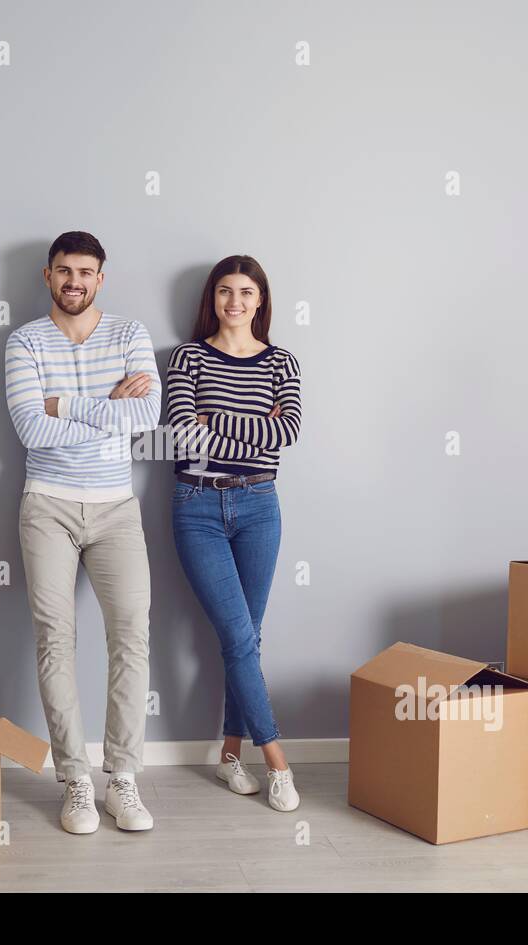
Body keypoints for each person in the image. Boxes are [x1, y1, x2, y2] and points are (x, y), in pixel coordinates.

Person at [4, 231, 162, 833]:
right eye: (64, 271)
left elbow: (146, 416)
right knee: (55, 640)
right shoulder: (24, 341)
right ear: (48, 276)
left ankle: (122, 779)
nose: (75, 281)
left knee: (131, 636)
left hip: (117, 507)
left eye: (86, 272)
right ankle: (75, 781)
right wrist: (107, 408)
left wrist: (65, 404)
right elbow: (30, 431)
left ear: (101, 278)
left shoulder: (129, 334)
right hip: (47, 505)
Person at [166, 255, 302, 812]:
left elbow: (287, 431)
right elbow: (181, 433)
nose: (235, 301)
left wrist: (214, 420)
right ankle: (277, 761)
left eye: (246, 291)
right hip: (197, 504)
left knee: (248, 637)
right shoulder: (188, 357)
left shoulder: (282, 362)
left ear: (260, 299)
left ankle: (229, 754)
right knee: (240, 638)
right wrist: (252, 427)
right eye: (225, 291)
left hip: (259, 505)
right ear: (212, 298)